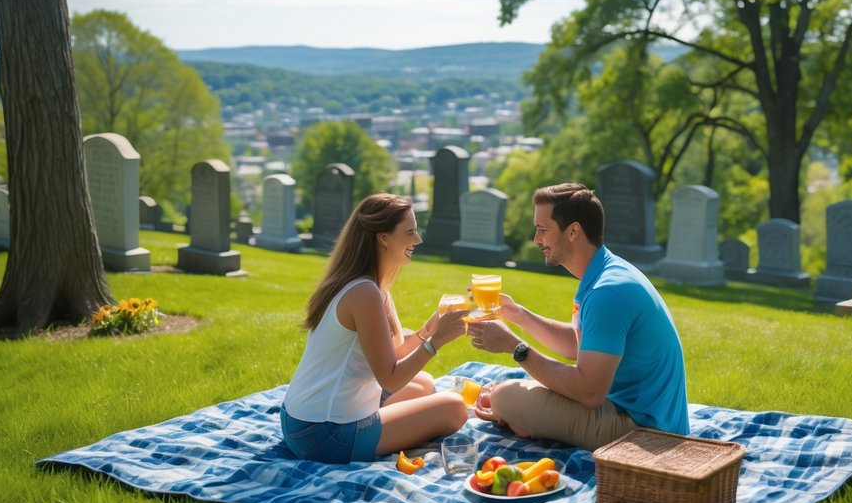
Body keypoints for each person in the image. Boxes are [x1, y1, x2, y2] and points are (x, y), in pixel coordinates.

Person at [467, 183, 689, 451]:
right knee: (514, 392)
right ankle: (527, 422)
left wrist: (514, 347)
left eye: (543, 229)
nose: (537, 239)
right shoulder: (605, 272)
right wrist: (519, 315)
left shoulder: (607, 292)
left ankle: (525, 422)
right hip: (640, 414)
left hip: (643, 432)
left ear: (573, 231)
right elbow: (579, 346)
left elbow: (590, 392)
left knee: (503, 396)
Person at [281, 193, 469, 463]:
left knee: (424, 384)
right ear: (383, 237)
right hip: (324, 435)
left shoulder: (369, 286)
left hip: (300, 421)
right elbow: (390, 379)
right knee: (454, 408)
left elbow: (393, 353)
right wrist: (437, 341)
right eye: (410, 232)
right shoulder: (364, 293)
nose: (418, 240)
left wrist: (429, 329)